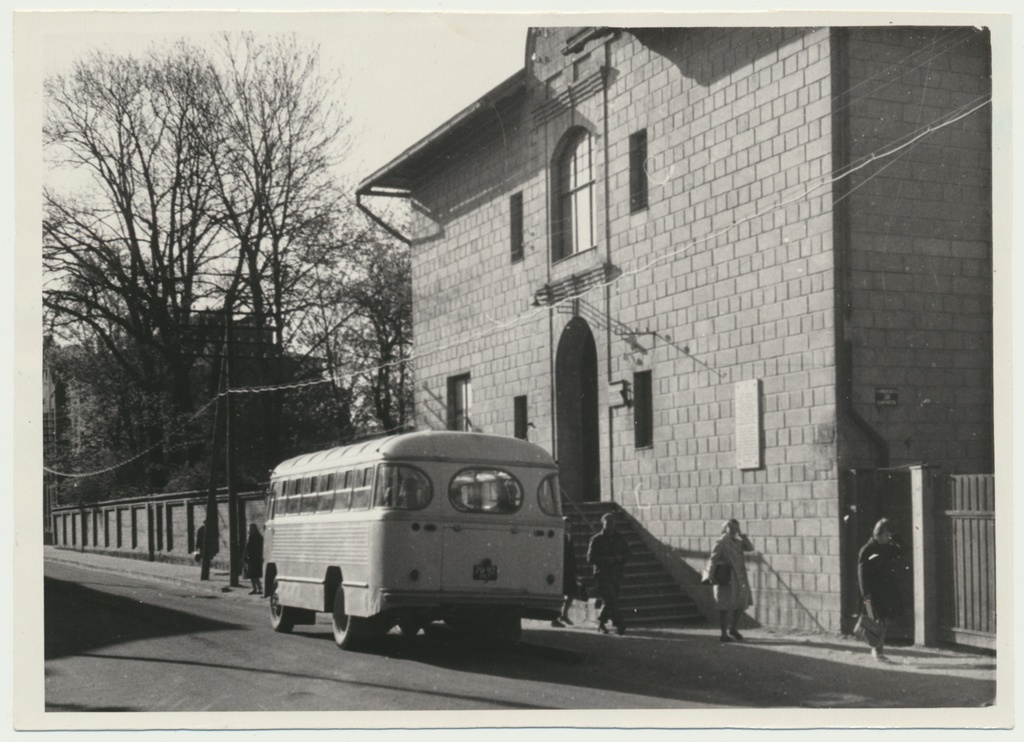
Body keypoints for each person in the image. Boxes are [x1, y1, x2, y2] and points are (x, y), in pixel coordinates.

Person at [858, 517, 905, 662]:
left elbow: (903, 549)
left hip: (885, 592)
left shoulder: (885, 547)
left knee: (883, 621)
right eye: (886, 535)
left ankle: (878, 650)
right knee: (877, 621)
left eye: (889, 536)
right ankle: (877, 651)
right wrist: (866, 597)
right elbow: (862, 575)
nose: (888, 538)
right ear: (878, 534)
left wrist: (894, 535)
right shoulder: (867, 550)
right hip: (872, 593)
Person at [708, 518, 755, 642]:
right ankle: (723, 633)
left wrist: (741, 535)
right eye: (731, 528)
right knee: (724, 605)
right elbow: (713, 559)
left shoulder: (738, 542)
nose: (734, 530)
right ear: (725, 528)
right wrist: (710, 575)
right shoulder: (722, 541)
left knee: (741, 602)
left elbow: (750, 548)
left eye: (736, 528)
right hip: (727, 577)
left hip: (739, 577)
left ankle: (733, 628)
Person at [587, 512, 630, 635]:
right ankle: (619, 623)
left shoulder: (619, 538)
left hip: (616, 574)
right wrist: (605, 560)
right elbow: (590, 557)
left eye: (612, 522)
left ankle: (601, 623)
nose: (610, 525)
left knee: (611, 599)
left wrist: (620, 558)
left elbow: (629, 553)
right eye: (607, 523)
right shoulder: (596, 539)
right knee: (610, 598)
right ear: (603, 524)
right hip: (603, 574)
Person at [552, 517, 578, 627]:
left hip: (569, 569)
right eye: (565, 525)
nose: (567, 527)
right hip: (560, 569)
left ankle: (564, 614)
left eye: (569, 525)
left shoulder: (570, 537)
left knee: (572, 592)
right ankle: (554, 618)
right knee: (559, 594)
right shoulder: (559, 537)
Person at [243, 523, 264, 595]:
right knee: (251, 574)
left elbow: (259, 548)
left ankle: (259, 588)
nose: (250, 530)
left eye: (252, 528)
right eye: (250, 528)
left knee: (255, 574)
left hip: (256, 558)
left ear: (255, 529)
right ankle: (255, 588)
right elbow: (247, 548)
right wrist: (245, 557)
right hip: (250, 558)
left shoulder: (258, 537)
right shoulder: (250, 537)